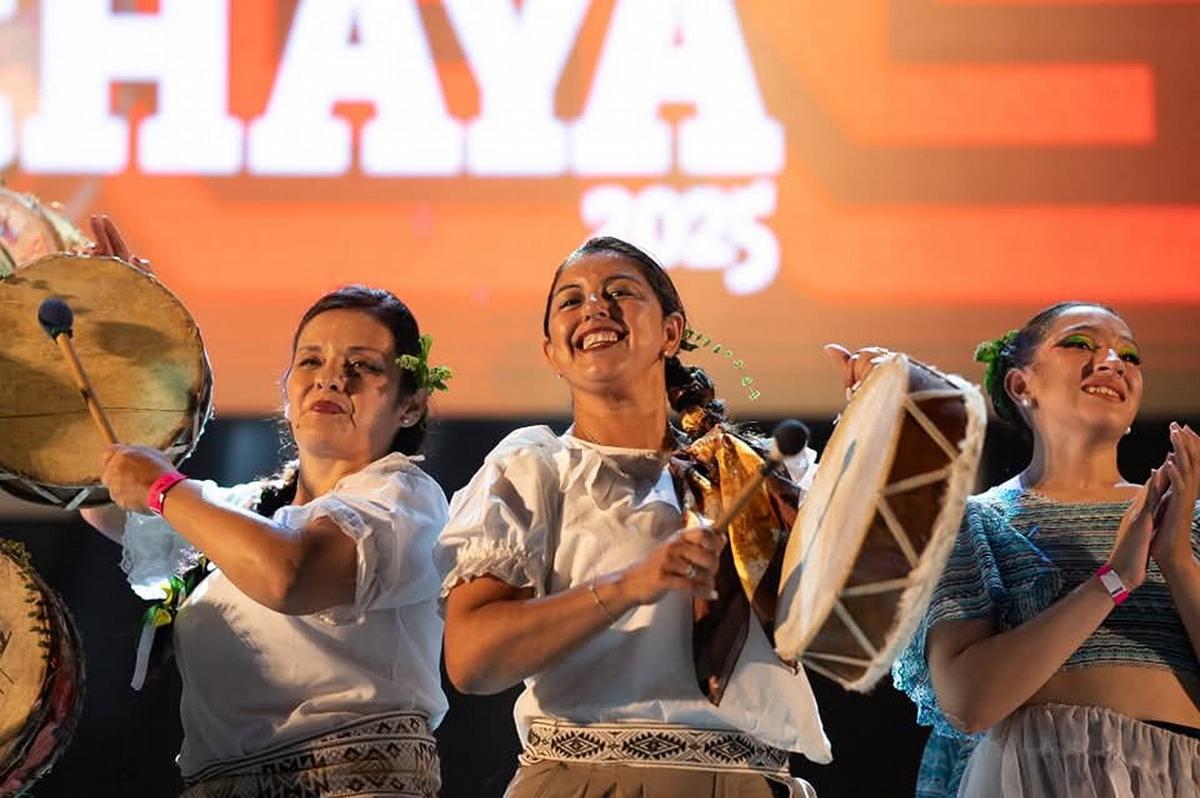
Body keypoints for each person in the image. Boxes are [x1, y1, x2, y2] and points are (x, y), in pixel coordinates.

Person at [436, 235, 882, 797]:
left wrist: (882, 411)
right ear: (551, 351)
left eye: (618, 291)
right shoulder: (532, 470)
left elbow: (868, 593)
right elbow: (473, 661)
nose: (594, 306)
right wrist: (630, 585)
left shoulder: (756, 474)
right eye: (570, 301)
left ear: (671, 332)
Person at [80, 217, 451, 797]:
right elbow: (106, 502)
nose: (332, 378)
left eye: (363, 366)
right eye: (311, 360)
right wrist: (124, 338)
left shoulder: (406, 500)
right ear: (286, 387)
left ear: (410, 406)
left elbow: (289, 574)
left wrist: (163, 488)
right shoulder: (251, 511)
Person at [893, 301, 1200, 797]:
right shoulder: (976, 521)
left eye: (1129, 356)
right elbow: (967, 702)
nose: (1112, 363)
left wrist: (1179, 559)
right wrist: (1112, 581)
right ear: (1021, 386)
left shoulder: (1188, 521)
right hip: (1038, 777)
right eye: (1080, 343)